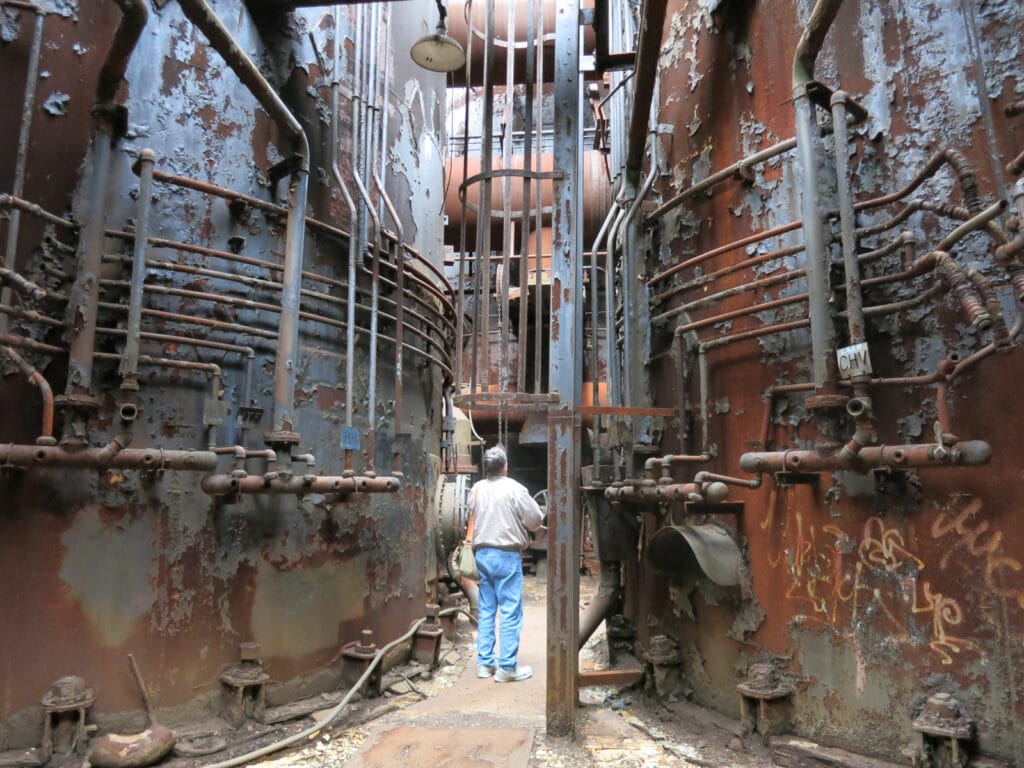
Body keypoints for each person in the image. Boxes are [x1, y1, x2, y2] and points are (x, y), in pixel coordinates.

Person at [467, 445, 544, 682]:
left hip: (482, 556)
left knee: (487, 609)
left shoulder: (477, 489)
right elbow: (534, 520)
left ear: (485, 468)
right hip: (506, 556)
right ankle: (507, 668)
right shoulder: (514, 488)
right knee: (511, 610)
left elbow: (469, 515)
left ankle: (485, 664)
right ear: (505, 467)